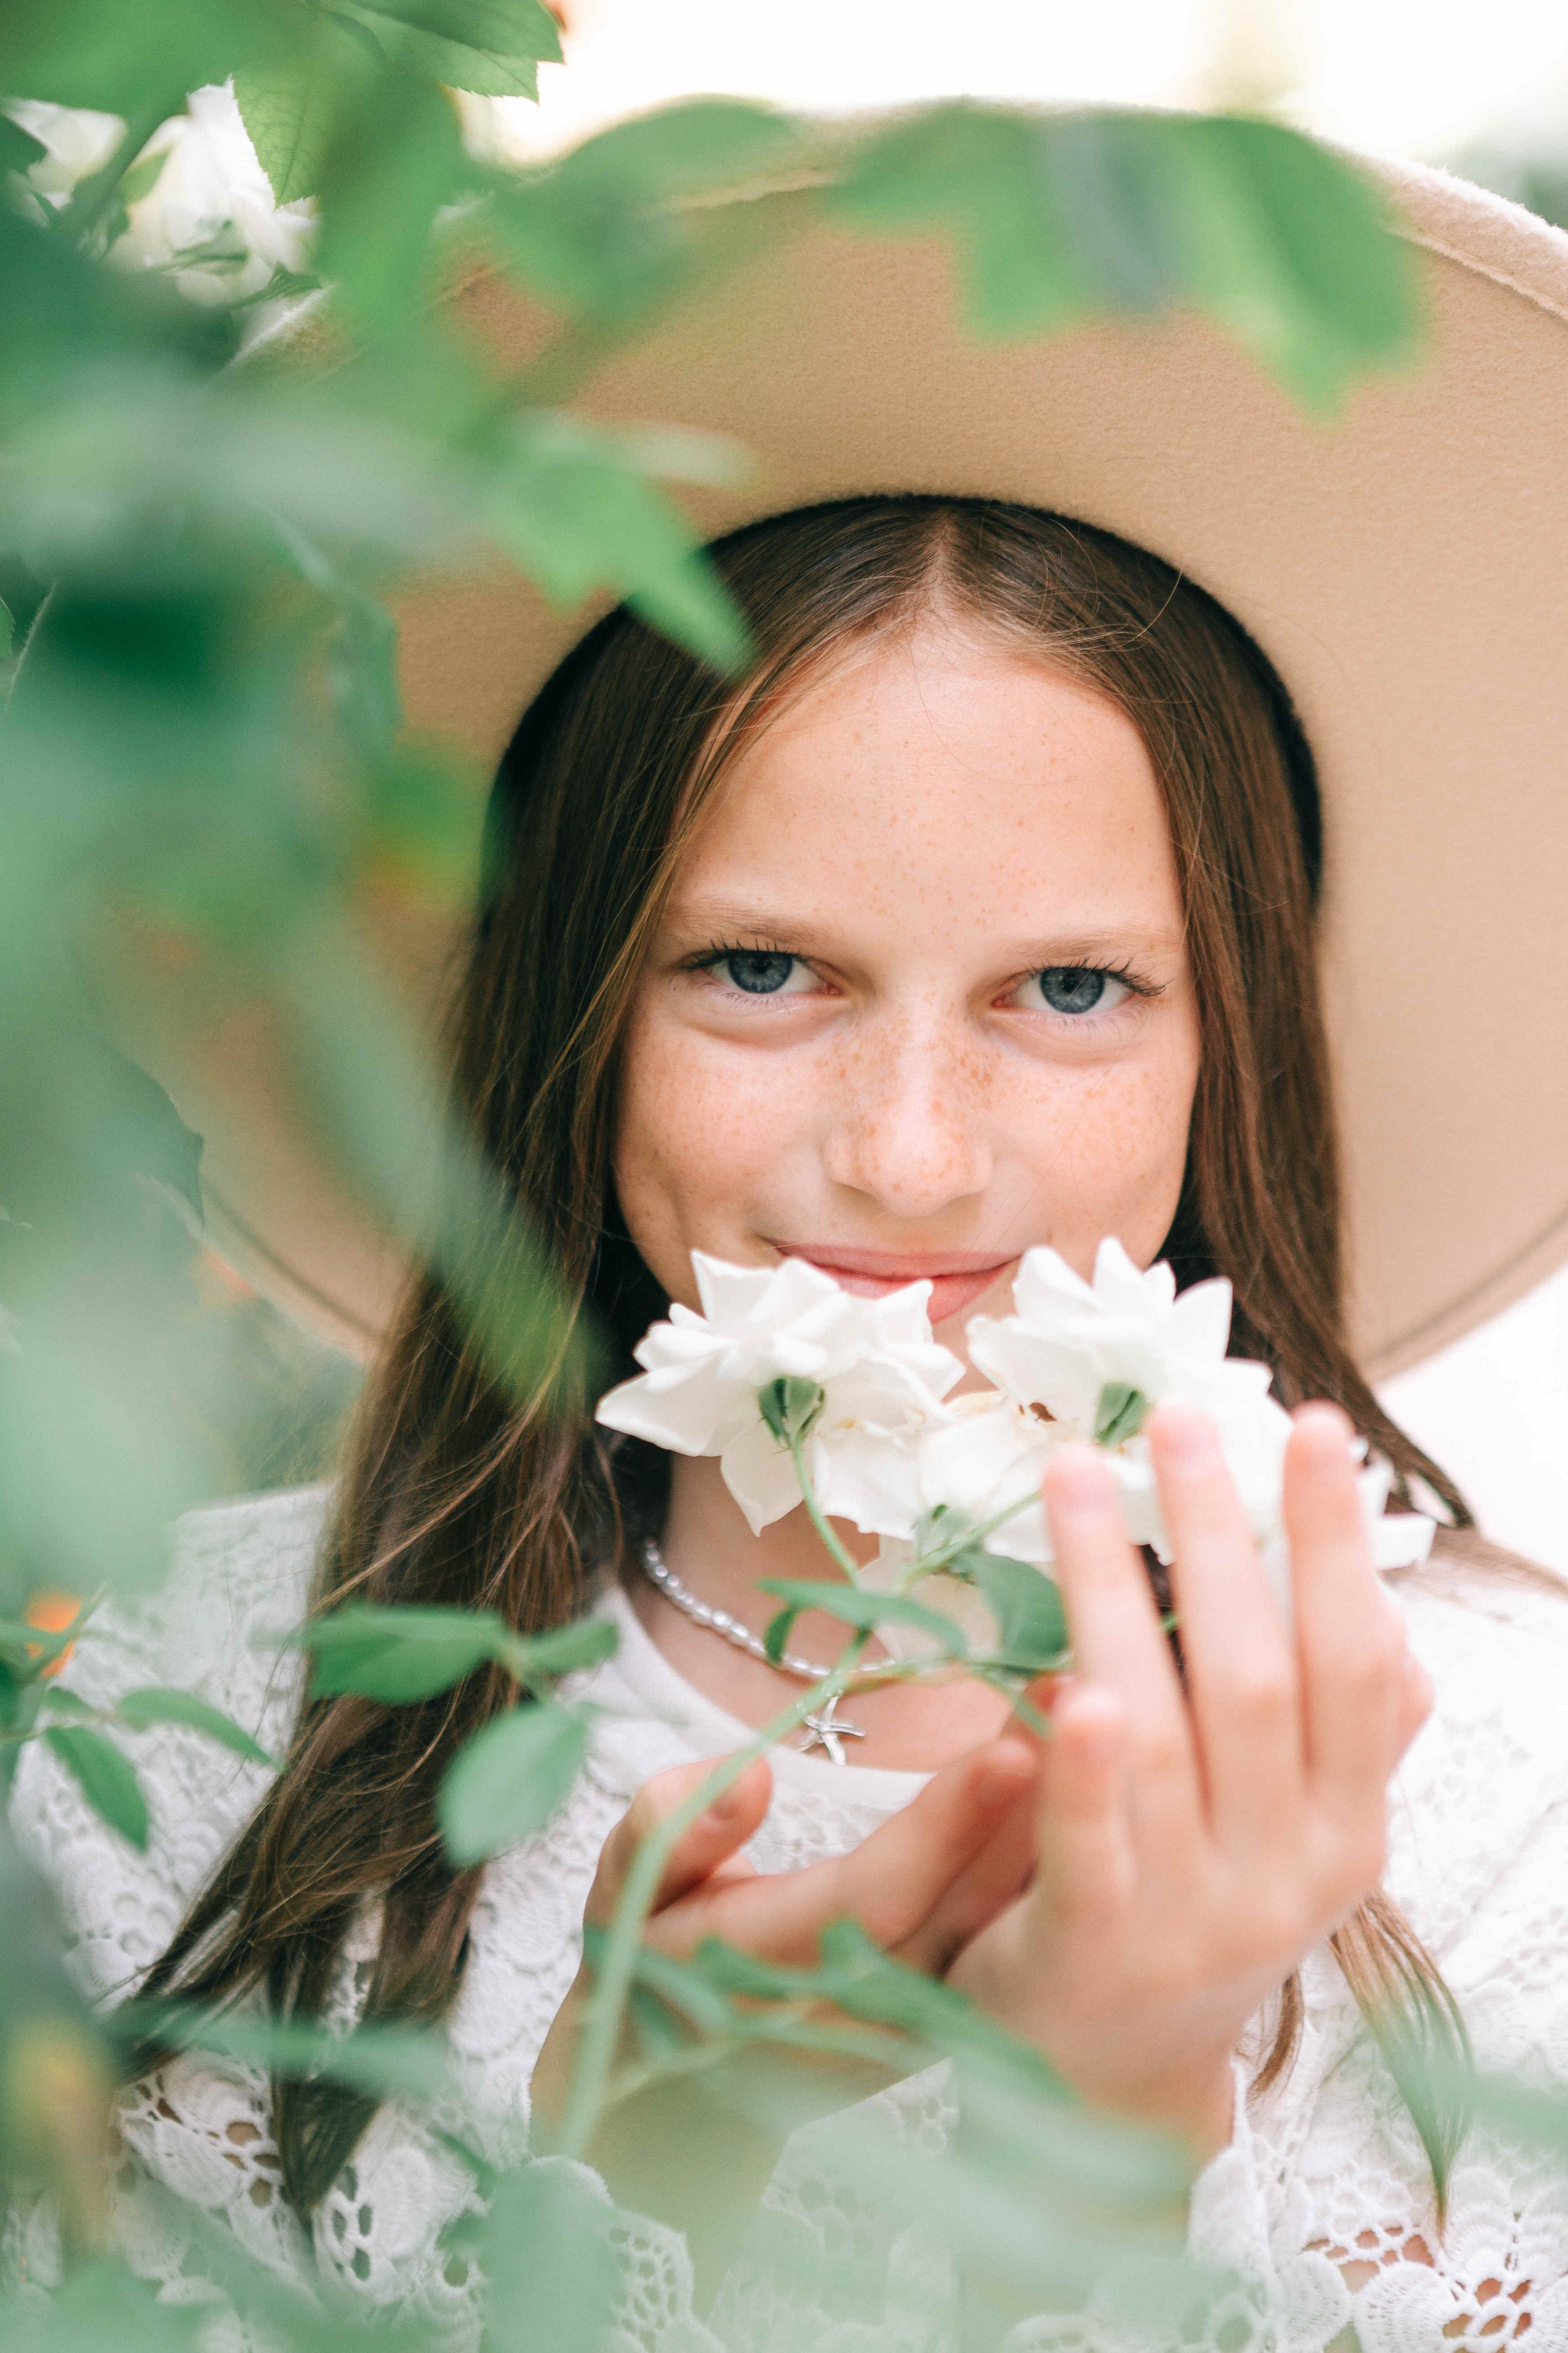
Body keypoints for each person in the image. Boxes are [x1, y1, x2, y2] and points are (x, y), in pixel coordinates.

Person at [13, 143, 1568, 2353]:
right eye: (758, 969)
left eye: (1070, 989)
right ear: (569, 1008)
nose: (914, 1160)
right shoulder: (204, 1731)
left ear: (1237, 1037)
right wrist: (641, 2186)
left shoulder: (1521, 1802)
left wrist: (1122, 2134)